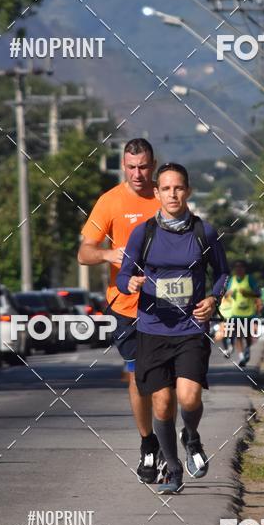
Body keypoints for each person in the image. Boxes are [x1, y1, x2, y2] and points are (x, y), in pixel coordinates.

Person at [117, 162, 229, 494]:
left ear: (188, 191)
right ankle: (173, 467)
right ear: (157, 193)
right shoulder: (144, 233)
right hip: (152, 329)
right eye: (166, 188)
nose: (172, 194)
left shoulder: (203, 232)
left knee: (189, 397)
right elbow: (124, 275)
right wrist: (132, 282)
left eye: (178, 188)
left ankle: (191, 437)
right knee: (163, 403)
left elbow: (221, 273)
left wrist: (214, 299)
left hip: (190, 327)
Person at [78, 138, 163, 483]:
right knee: (139, 377)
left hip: (169, 304)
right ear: (123, 166)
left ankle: (168, 440)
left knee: (167, 382)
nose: (138, 173)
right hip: (125, 304)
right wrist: (108, 255)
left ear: (153, 165)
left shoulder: (166, 196)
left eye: (143, 166)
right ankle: (148, 443)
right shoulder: (110, 201)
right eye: (131, 167)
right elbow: (85, 252)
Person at [224, 260, 260, 367]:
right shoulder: (232, 280)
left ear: (244, 269)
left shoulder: (249, 279)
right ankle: (241, 357)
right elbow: (226, 295)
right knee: (238, 335)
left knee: (248, 335)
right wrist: (228, 293)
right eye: (236, 268)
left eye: (241, 267)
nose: (238, 270)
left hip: (249, 314)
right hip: (236, 314)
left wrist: (248, 293)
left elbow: (258, 293)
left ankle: (247, 350)